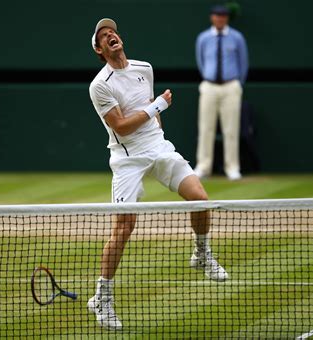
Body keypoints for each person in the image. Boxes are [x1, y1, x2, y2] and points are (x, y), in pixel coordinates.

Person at [88, 18, 229, 330]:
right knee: (124, 228)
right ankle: (103, 298)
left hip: (159, 147)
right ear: (100, 50)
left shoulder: (144, 68)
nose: (110, 35)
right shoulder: (100, 85)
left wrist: (158, 129)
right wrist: (158, 107)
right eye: (103, 36)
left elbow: (148, 111)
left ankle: (202, 254)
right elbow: (122, 126)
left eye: (112, 31)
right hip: (127, 158)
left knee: (200, 199)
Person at [194, 4, 249, 181]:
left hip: (230, 86)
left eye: (223, 16)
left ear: (226, 18)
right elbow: (201, 61)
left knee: (231, 129)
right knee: (205, 128)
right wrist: (208, 78)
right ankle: (203, 166)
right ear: (212, 18)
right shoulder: (203, 38)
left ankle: (232, 168)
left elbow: (243, 63)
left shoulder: (237, 38)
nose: (220, 19)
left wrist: (237, 84)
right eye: (217, 16)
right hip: (209, 86)